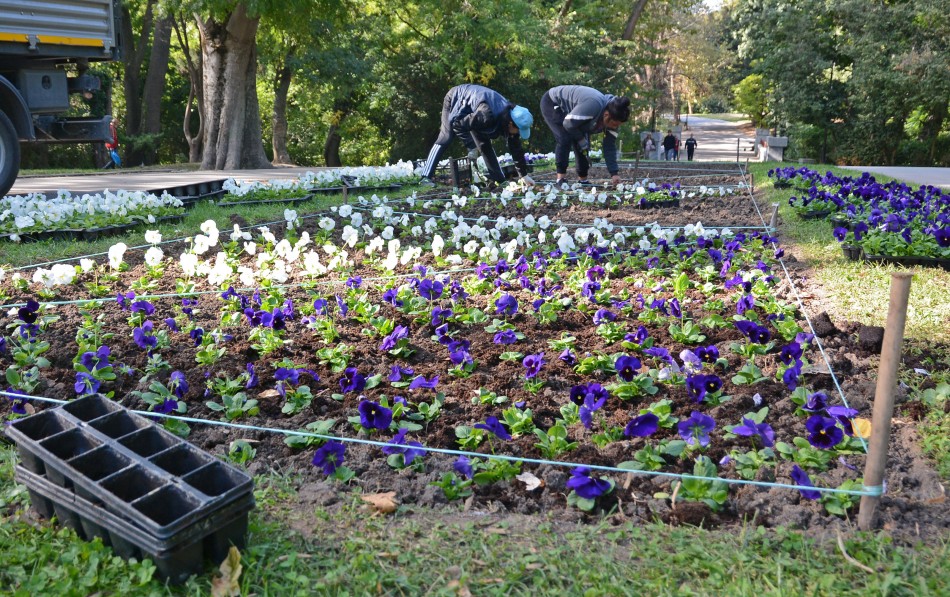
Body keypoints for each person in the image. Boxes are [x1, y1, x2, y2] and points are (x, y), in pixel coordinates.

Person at [419, 84, 534, 188]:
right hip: (456, 99)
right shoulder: (486, 115)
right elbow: (457, 124)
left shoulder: (510, 119)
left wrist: (523, 175)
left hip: (474, 109)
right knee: (446, 136)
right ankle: (425, 177)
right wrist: (471, 146)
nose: (518, 134)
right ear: (510, 123)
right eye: (519, 130)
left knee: (484, 144)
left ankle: (499, 179)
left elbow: (516, 148)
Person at [540, 85, 631, 186]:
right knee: (565, 137)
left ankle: (583, 180)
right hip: (554, 103)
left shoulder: (614, 117)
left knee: (583, 144)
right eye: (614, 124)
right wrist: (580, 138)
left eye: (618, 125)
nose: (615, 127)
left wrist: (614, 173)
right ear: (606, 116)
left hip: (572, 115)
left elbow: (609, 146)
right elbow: (568, 124)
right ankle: (561, 179)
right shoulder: (594, 105)